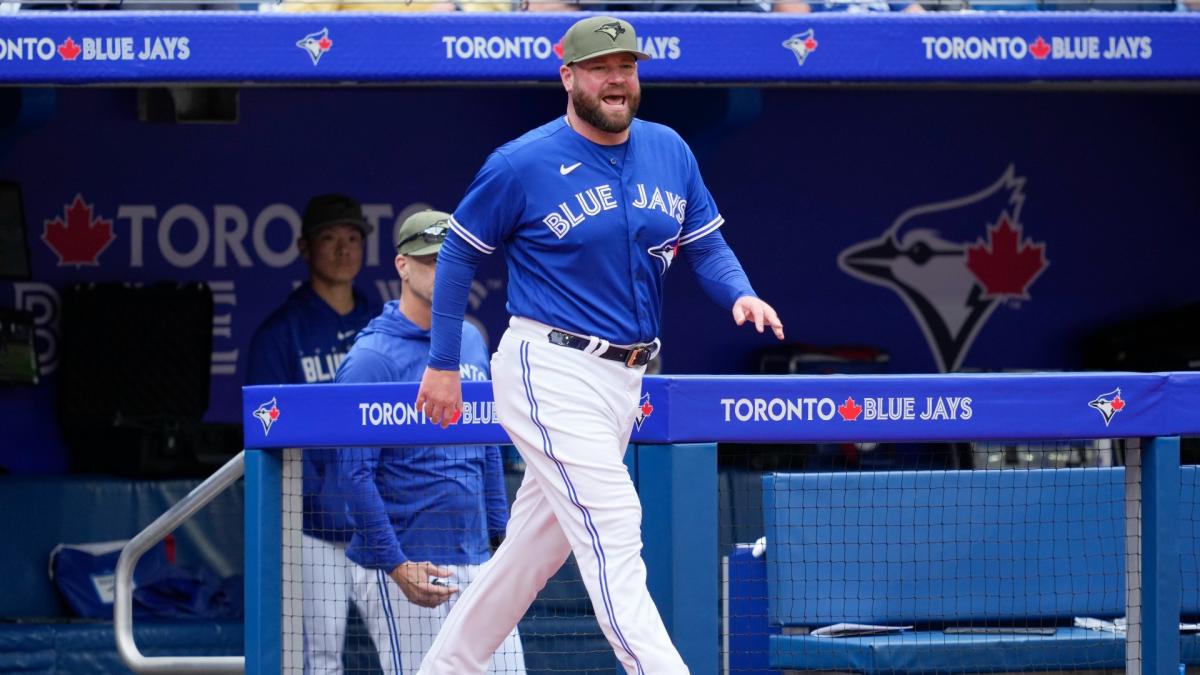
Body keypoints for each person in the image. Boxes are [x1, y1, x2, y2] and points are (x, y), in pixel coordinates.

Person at [413, 15, 785, 675]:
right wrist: (442, 362)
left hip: (625, 376)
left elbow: (705, 242)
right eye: (601, 67)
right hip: (547, 363)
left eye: (627, 66)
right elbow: (457, 254)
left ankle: (445, 668)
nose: (617, 79)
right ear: (569, 77)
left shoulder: (668, 148)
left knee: (534, 550)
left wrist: (740, 293)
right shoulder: (521, 162)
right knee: (615, 520)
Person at [334, 210, 526, 675]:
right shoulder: (370, 359)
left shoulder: (472, 340)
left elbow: (485, 448)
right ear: (402, 265)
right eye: (431, 260)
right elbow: (353, 477)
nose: (444, 270)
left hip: (477, 558)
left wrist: (499, 541)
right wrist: (397, 566)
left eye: (453, 259)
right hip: (409, 564)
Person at [245, 193, 379, 674]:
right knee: (317, 661)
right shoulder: (281, 334)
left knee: (414, 650)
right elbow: (264, 438)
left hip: (379, 521)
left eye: (352, 237)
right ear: (304, 247)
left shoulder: (380, 325)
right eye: (330, 239)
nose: (344, 250)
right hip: (312, 530)